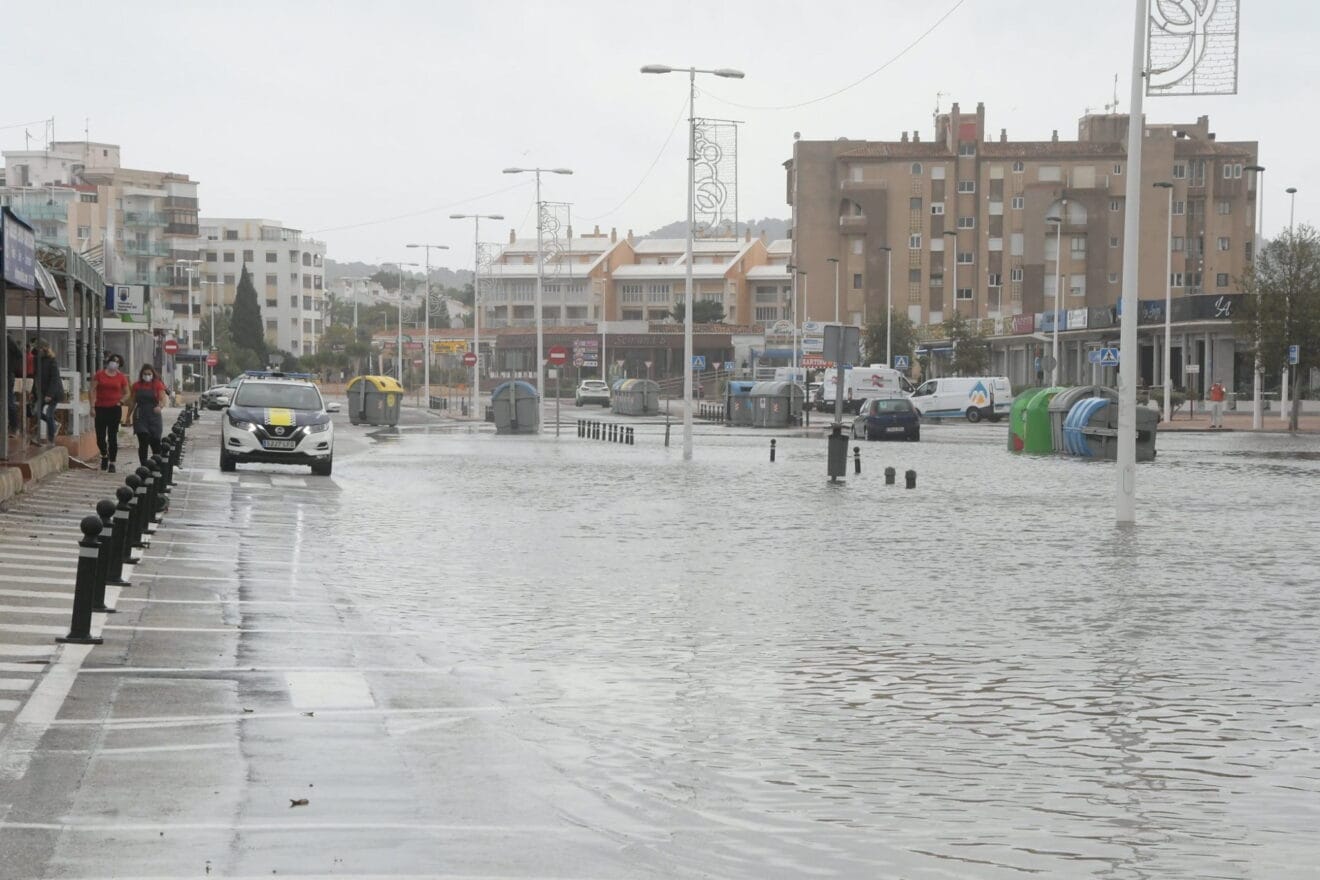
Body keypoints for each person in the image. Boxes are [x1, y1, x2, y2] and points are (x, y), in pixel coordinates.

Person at [90, 354, 131, 472]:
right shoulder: (99, 374)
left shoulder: (121, 377)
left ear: (120, 365)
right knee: (100, 437)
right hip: (100, 408)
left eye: (117, 362)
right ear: (108, 361)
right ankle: (104, 455)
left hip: (114, 409)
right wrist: (92, 406)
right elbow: (92, 390)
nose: (114, 363)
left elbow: (127, 393)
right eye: (113, 360)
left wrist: (121, 401)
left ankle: (112, 462)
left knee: (112, 437)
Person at [125, 364, 168, 466]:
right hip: (140, 415)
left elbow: (163, 398)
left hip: (154, 415)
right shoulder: (136, 385)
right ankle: (143, 466)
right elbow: (132, 401)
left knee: (155, 441)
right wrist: (127, 416)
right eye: (145, 374)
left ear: (153, 374)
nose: (147, 376)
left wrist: (160, 406)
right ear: (141, 374)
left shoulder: (158, 384)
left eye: (149, 374)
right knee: (143, 441)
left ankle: (157, 465)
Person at [33, 340, 64, 446]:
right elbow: (36, 377)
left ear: (45, 348)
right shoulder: (37, 360)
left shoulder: (52, 361)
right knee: (36, 412)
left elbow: (54, 379)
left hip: (54, 393)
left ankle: (51, 440)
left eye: (40, 348)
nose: (38, 350)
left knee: (50, 414)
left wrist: (50, 394)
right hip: (42, 392)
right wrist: (34, 392)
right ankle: (54, 425)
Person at [5, 336, 20, 437]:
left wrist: (10, 368)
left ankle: (14, 427)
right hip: (6, 373)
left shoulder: (8, 340)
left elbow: (19, 355)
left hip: (7, 374)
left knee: (9, 401)